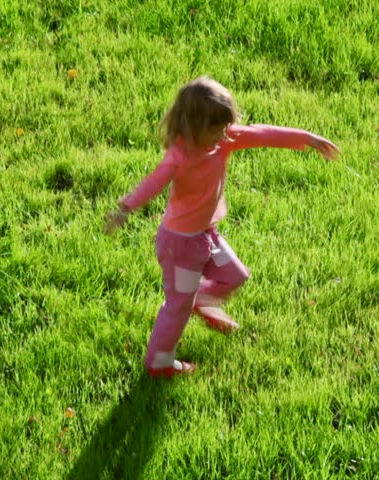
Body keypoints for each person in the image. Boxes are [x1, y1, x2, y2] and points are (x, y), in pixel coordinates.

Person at [105, 76, 340, 378]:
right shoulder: (179, 156)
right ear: (193, 126)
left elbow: (261, 133)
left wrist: (307, 137)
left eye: (224, 128)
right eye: (215, 130)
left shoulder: (223, 140)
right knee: (177, 308)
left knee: (235, 275)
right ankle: (159, 361)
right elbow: (153, 182)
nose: (223, 135)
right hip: (181, 246)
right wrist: (125, 208)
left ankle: (201, 300)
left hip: (206, 235)